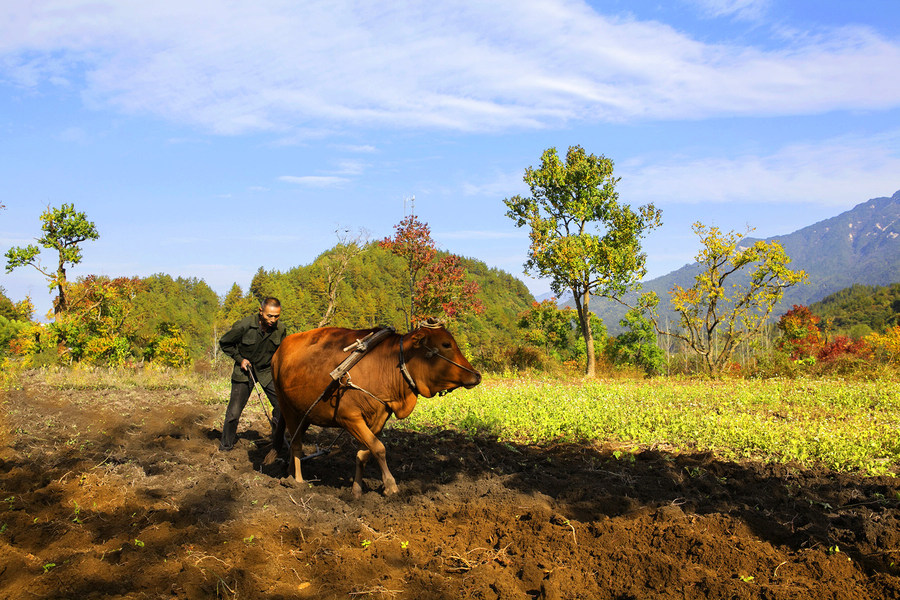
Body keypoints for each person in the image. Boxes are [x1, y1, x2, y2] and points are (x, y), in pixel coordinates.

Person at [218, 297, 287, 451]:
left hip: (266, 371)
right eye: (270, 316)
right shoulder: (244, 325)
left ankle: (277, 441)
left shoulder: (280, 329)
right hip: (244, 371)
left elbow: (281, 352)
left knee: (282, 405)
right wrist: (240, 359)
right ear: (260, 311)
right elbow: (225, 343)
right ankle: (226, 446)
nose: (273, 320)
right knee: (234, 413)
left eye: (276, 316)